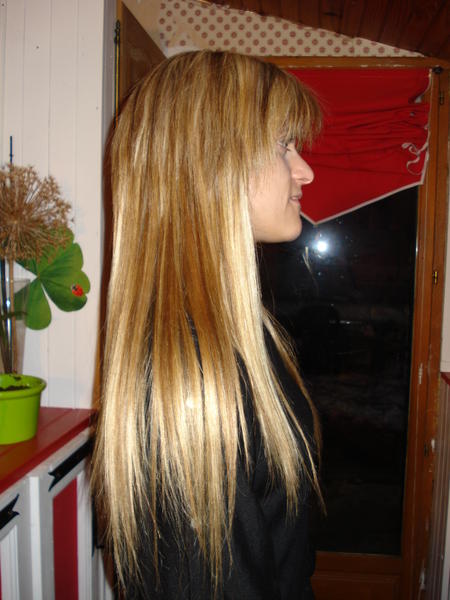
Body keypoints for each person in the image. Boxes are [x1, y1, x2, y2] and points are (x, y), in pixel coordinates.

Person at [92, 50, 323, 599]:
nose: (304, 171)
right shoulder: (193, 376)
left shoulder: (239, 334)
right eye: (282, 145)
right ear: (212, 161)